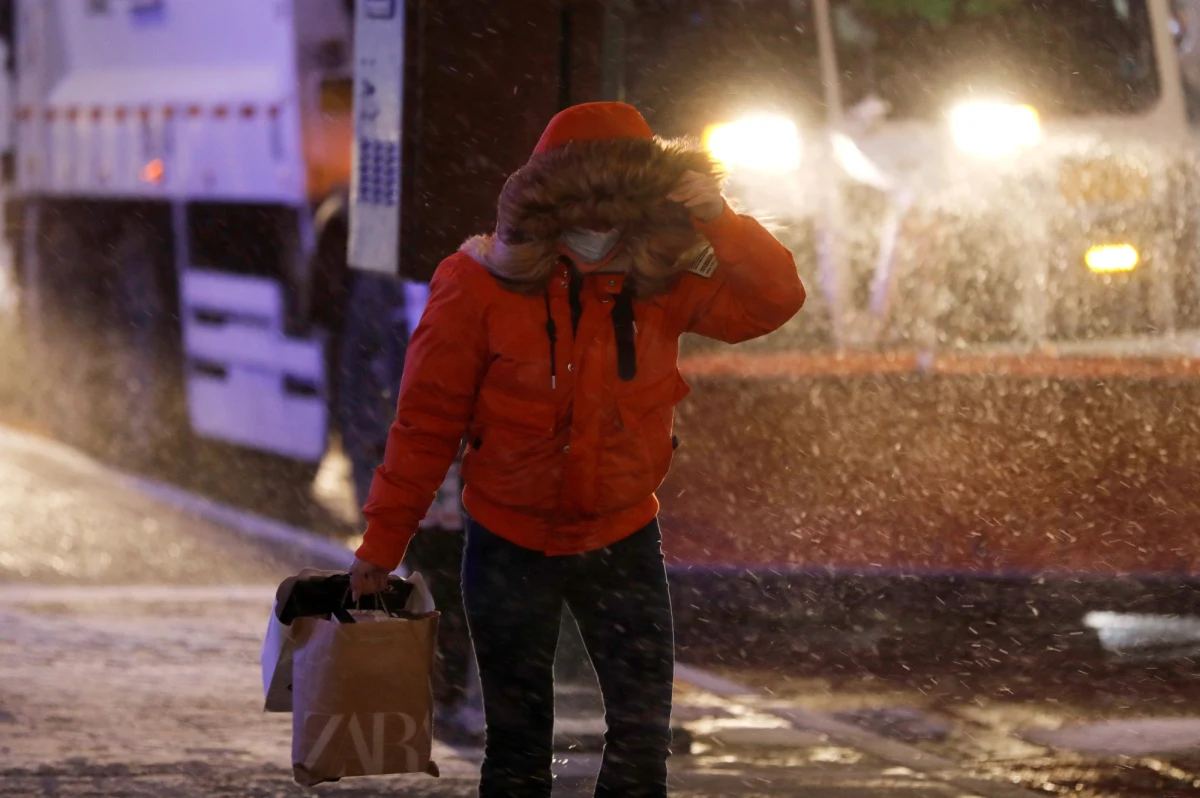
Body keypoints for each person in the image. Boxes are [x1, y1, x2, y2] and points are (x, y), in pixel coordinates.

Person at [350, 101, 805, 797]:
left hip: (622, 536)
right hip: (509, 543)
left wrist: (720, 217)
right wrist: (380, 550)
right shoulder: (477, 283)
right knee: (518, 746)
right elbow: (425, 422)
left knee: (642, 740)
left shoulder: (666, 276)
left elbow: (773, 302)